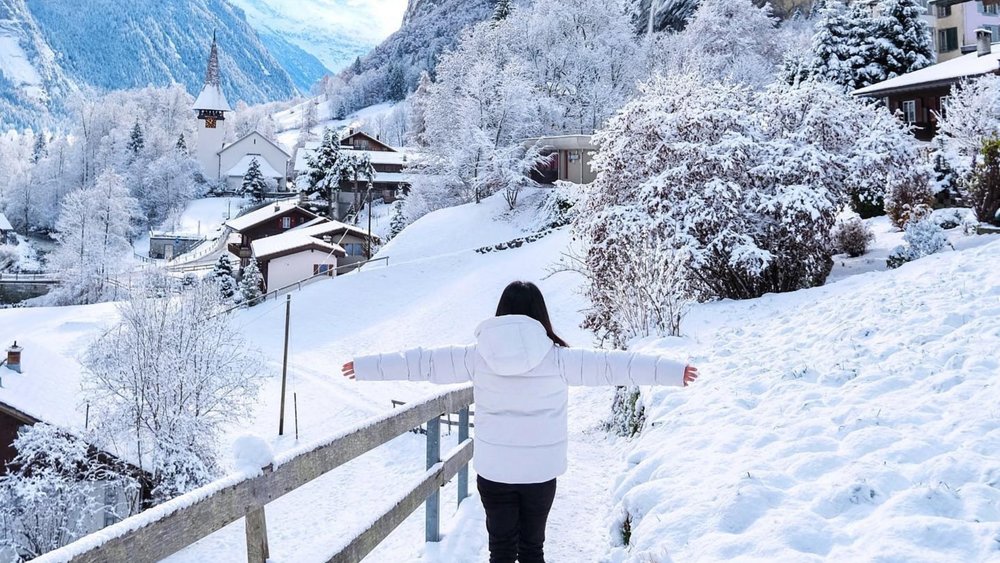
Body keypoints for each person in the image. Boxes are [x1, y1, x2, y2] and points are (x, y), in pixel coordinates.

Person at [342, 281, 698, 563]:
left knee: (500, 550)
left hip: (494, 472)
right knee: (532, 549)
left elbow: (423, 363)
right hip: (540, 473)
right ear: (540, 315)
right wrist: (673, 371)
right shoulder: (560, 359)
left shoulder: (476, 356)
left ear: (501, 313)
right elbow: (614, 365)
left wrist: (365, 366)